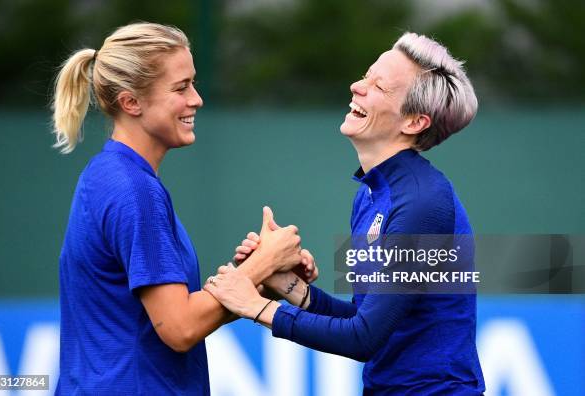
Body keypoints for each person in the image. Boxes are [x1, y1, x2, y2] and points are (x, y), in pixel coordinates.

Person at [205, 32, 486, 395]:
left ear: (414, 122)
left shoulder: (422, 202)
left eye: (378, 87)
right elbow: (362, 319)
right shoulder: (371, 193)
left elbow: (362, 339)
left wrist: (255, 306)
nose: (357, 86)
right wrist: (290, 288)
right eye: (366, 75)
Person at [51, 22, 313, 395]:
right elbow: (179, 328)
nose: (196, 99)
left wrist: (258, 278)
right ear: (131, 102)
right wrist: (262, 264)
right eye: (181, 87)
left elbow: (172, 316)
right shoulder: (135, 190)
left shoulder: (112, 175)